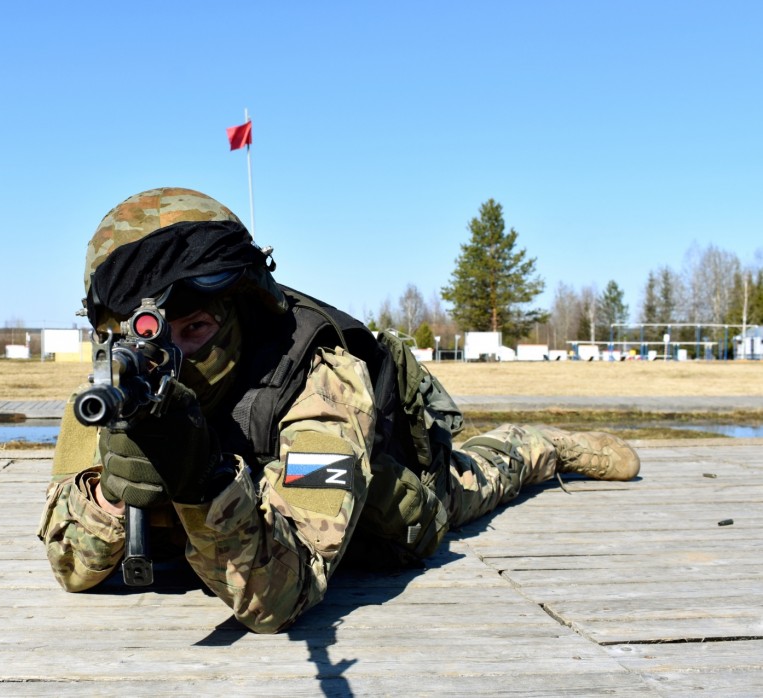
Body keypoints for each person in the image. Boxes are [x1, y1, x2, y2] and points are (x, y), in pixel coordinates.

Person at [38, 187, 640, 634]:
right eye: (147, 335)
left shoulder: (318, 375)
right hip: (243, 526)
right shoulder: (117, 386)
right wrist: (111, 499)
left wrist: (202, 482)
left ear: (240, 308)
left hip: (381, 500)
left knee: (479, 477)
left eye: (195, 328)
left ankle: (546, 445)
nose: (173, 354)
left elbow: (280, 598)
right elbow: (70, 567)